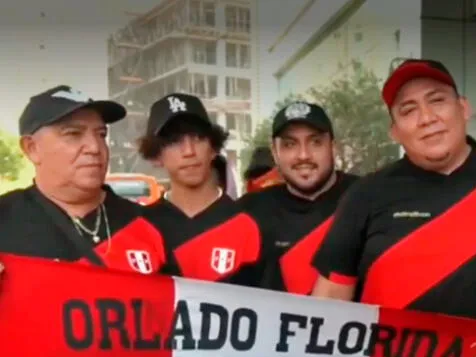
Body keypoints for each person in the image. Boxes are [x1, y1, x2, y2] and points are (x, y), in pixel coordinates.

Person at [311, 59, 476, 320]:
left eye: (437, 100)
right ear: (394, 132)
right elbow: (328, 306)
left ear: (464, 107)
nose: (426, 118)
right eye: (408, 110)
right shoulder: (364, 195)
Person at [0, 85, 166, 274]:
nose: (95, 147)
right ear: (32, 148)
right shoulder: (5, 219)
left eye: (101, 134)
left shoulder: (150, 224)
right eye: (73, 134)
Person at [238, 101, 358, 294]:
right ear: (275, 153)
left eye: (315, 142)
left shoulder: (365, 198)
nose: (303, 155)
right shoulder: (249, 211)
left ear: (333, 147)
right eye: (289, 144)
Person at [138, 93, 259, 284]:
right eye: (174, 141)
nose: (189, 151)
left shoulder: (249, 223)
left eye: (198, 138)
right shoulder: (140, 228)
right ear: (156, 155)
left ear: (213, 148)